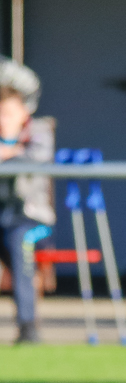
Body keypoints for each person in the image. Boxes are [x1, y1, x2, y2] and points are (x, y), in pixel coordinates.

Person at [0, 71, 54, 345]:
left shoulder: (39, 131)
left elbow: (35, 159)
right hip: (2, 220)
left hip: (33, 222)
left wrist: (9, 149)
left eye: (7, 113)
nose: (2, 119)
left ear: (23, 112)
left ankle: (28, 327)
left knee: (20, 243)